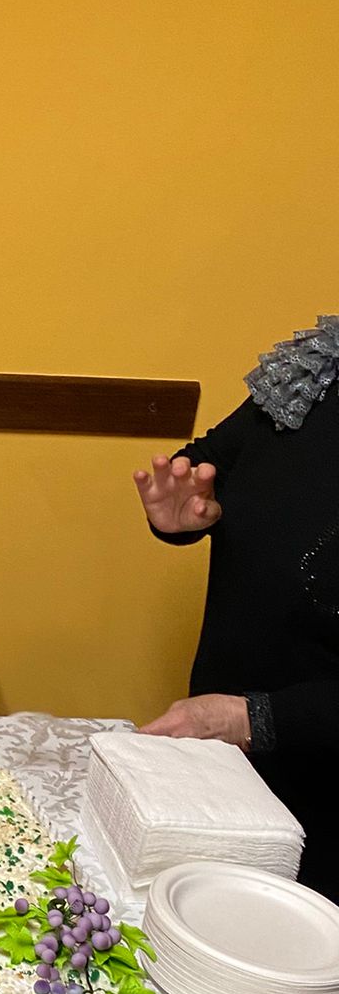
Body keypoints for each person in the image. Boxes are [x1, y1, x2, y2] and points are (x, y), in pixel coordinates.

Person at [136, 315, 339, 895]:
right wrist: (180, 517)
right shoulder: (322, 365)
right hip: (229, 763)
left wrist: (254, 717)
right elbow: (208, 467)